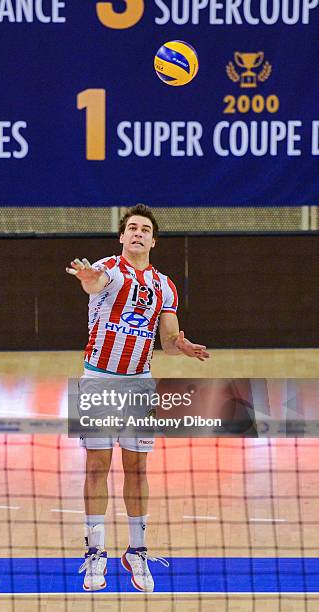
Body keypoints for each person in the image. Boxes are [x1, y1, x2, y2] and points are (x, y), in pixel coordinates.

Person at [66, 204, 210, 592]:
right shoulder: (107, 269)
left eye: (145, 229)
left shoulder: (164, 285)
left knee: (137, 469)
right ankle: (96, 552)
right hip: (97, 380)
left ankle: (137, 550)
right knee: (97, 467)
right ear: (122, 236)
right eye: (131, 227)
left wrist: (184, 346)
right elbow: (94, 284)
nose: (138, 233)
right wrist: (86, 278)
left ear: (153, 240)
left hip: (139, 383)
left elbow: (167, 339)